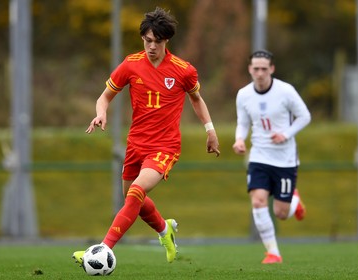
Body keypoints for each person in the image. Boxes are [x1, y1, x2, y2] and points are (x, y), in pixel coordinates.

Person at [72, 7, 220, 266]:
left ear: (166, 41)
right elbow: (104, 96)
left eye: (157, 41)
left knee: (136, 192)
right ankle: (165, 230)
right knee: (133, 200)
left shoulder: (183, 70)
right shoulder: (131, 64)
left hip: (165, 146)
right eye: (147, 40)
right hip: (136, 144)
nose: (151, 46)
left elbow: (197, 100)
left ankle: (101, 250)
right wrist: (101, 113)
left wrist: (210, 130)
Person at [232, 50, 311, 264]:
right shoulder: (244, 94)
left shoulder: (286, 91)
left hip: (285, 159)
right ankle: (273, 253)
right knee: (258, 202)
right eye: (255, 69)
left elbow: (305, 116)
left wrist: (285, 134)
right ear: (249, 69)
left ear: (272, 69)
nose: (259, 73)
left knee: (281, 213)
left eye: (264, 69)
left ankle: (293, 200)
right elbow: (243, 122)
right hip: (259, 156)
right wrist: (240, 139)